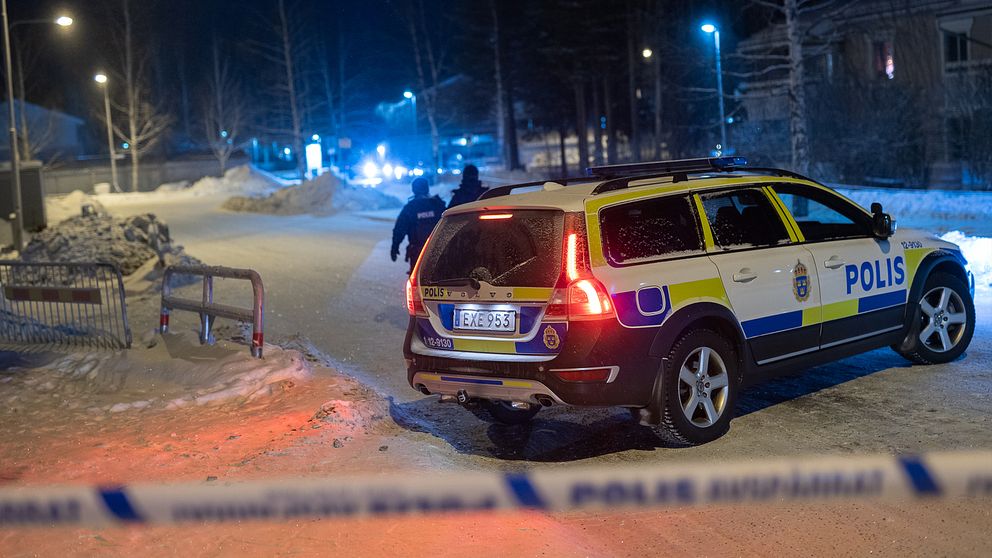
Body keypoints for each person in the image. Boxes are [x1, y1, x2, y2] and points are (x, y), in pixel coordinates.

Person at [391, 177, 445, 273]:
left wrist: (395, 247)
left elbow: (399, 229)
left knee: (417, 282)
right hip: (438, 251)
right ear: (427, 188)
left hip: (418, 253)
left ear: (414, 190)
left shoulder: (410, 208)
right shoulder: (437, 204)